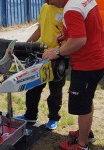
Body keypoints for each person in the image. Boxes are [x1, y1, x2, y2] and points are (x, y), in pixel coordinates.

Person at [42, 0, 104, 149]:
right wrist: (66, 35)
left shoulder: (71, 9)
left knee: (82, 105)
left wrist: (56, 52)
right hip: (95, 59)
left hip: (86, 64)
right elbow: (88, 27)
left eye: (49, 0)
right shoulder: (83, 1)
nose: (48, 3)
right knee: (87, 100)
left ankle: (81, 145)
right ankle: (85, 133)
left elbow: (79, 40)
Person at [17, 0, 66, 130]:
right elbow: (40, 29)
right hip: (41, 53)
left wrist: (60, 52)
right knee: (33, 87)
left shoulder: (66, 9)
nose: (46, 1)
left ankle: (53, 118)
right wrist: (26, 45)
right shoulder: (45, 7)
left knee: (55, 90)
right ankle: (30, 115)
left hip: (58, 56)